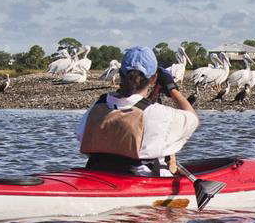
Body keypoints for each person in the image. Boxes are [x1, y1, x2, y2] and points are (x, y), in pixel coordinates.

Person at [76, 46, 199, 176]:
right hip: (139, 182)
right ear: (153, 79)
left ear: (120, 74)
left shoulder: (98, 105)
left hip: (96, 173)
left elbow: (81, 138)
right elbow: (193, 119)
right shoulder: (156, 113)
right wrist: (172, 88)